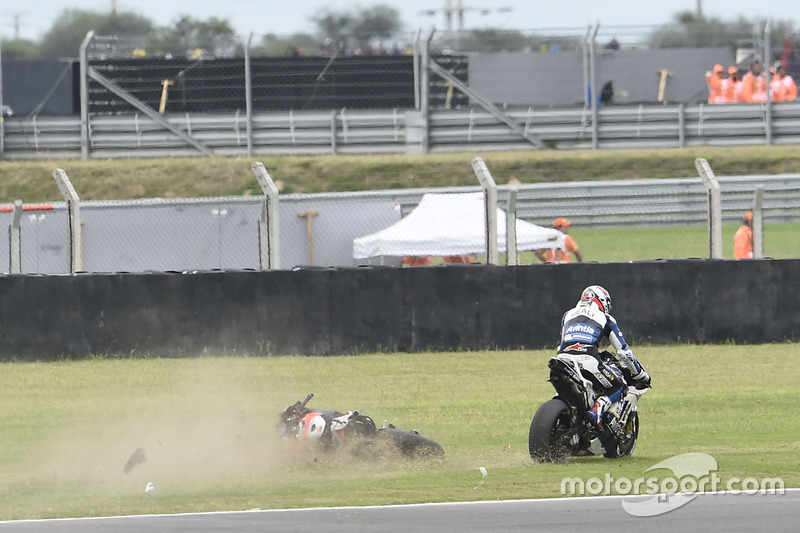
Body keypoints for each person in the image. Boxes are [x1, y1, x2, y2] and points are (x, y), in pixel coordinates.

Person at [557, 285, 651, 430]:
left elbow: (562, 343)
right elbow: (623, 353)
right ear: (602, 301)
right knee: (619, 385)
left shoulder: (568, 315)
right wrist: (639, 373)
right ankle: (597, 410)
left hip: (563, 360)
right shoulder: (606, 318)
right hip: (588, 361)